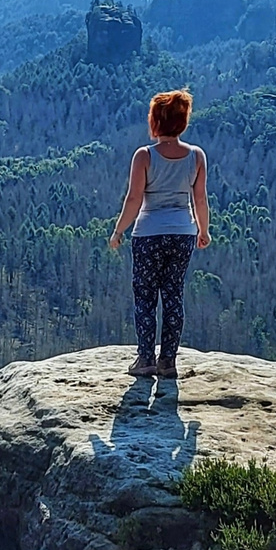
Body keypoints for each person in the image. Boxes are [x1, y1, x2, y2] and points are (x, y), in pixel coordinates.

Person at [109, 89, 210, 378]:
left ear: (154, 122)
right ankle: (168, 361)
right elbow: (200, 200)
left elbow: (133, 199)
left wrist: (118, 231)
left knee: (145, 297)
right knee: (174, 295)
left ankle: (145, 359)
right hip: (182, 234)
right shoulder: (196, 156)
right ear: (183, 122)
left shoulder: (144, 156)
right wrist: (203, 230)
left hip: (148, 234)